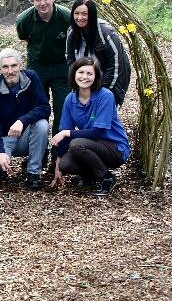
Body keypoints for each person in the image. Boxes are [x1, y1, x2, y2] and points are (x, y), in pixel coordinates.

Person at [50, 57, 130, 196]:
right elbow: (64, 132)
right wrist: (58, 167)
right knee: (65, 164)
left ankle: (107, 178)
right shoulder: (70, 98)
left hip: (115, 148)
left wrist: (67, 133)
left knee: (76, 144)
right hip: (92, 146)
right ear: (74, 74)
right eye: (81, 72)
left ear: (96, 76)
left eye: (89, 73)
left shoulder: (105, 96)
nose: (84, 77)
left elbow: (97, 132)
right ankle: (89, 177)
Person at [16, 0, 72, 162]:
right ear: (32, 1)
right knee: (38, 110)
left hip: (61, 67)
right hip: (37, 67)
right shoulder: (24, 19)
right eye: (38, 0)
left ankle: (59, 154)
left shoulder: (65, 16)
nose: (42, 3)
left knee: (62, 110)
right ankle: (38, 154)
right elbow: (24, 36)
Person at [0, 48, 51, 190]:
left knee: (42, 124)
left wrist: (22, 121)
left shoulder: (31, 78)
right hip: (5, 138)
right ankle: (1, 168)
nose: (10, 71)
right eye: (5, 67)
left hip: (27, 135)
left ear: (20, 66)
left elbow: (44, 108)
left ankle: (33, 173)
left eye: (14, 66)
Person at [66, 0, 131, 106]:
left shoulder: (106, 33)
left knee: (102, 115)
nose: (80, 17)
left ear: (92, 14)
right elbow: (70, 60)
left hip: (109, 81)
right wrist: (78, 85)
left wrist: (102, 92)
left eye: (84, 14)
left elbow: (116, 65)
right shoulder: (72, 32)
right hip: (85, 81)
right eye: (76, 13)